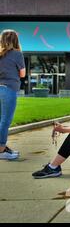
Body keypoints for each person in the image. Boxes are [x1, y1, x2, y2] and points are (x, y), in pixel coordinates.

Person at [0, 30, 26, 160]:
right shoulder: (17, 54)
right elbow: (22, 74)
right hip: (8, 89)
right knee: (5, 120)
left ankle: (3, 148)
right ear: (15, 40)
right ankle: (1, 151)